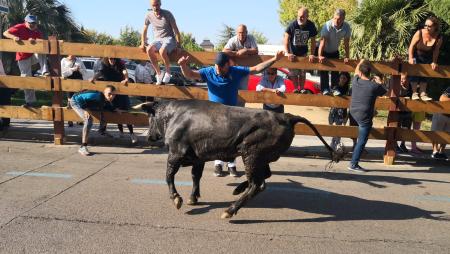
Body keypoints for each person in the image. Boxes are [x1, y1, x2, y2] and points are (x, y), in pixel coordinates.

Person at [178, 51, 285, 177]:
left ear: (227, 65)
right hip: (214, 114)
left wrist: (274, 58)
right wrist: (183, 66)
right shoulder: (209, 71)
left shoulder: (235, 70)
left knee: (232, 140)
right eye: (216, 66)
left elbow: (255, 69)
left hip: (231, 114)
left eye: (220, 67)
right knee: (216, 139)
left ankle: (231, 165)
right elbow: (190, 74)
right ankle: (218, 164)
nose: (217, 70)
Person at [348, 60, 387, 172]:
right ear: (369, 73)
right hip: (364, 116)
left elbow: (356, 70)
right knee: (362, 140)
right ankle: (353, 164)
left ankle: (354, 159)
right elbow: (387, 92)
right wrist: (380, 82)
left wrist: (362, 60)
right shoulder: (374, 86)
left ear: (360, 73)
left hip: (353, 112)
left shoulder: (355, 80)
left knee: (359, 134)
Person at [3, 14, 49, 107]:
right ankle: (30, 102)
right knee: (26, 78)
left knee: (41, 50)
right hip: (22, 57)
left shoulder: (36, 31)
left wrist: (35, 41)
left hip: (32, 56)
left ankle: (45, 71)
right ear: (26, 22)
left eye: (34, 23)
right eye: (30, 23)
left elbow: (41, 43)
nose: (32, 25)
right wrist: (14, 37)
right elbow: (5, 33)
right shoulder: (20, 27)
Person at [140, 0, 181, 85]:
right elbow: (144, 29)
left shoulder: (167, 14)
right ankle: (158, 73)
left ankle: (168, 72)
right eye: (153, 6)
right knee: (149, 49)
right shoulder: (149, 15)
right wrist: (142, 43)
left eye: (157, 5)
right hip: (157, 39)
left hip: (169, 39)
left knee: (162, 51)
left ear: (160, 4)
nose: (155, 7)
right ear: (151, 6)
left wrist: (179, 44)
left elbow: (176, 29)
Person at [69, 86, 116, 156]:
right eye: (109, 94)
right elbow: (79, 98)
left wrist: (115, 109)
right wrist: (85, 109)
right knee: (89, 120)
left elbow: (108, 106)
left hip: (87, 103)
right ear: (104, 93)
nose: (111, 96)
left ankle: (102, 130)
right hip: (76, 101)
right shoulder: (96, 96)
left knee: (105, 112)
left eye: (114, 95)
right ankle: (83, 146)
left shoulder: (105, 100)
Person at [284, 7, 317, 94]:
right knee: (294, 72)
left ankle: (302, 88)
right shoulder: (293, 25)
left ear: (307, 16)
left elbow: (313, 41)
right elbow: (286, 39)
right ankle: (295, 88)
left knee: (303, 71)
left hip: (303, 52)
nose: (300, 18)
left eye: (302, 16)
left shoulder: (311, 25)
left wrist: (312, 54)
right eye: (298, 16)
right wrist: (288, 53)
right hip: (292, 52)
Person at [408, 16, 442, 101]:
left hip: (427, 57)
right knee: (415, 71)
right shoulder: (419, 32)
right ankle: (414, 93)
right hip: (416, 56)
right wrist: (410, 58)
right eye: (425, 25)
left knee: (426, 73)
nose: (426, 27)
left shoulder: (439, 37)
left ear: (435, 27)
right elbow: (411, 46)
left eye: (429, 26)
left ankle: (423, 93)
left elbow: (436, 51)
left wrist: (434, 62)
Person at [318, 9, 351, 96]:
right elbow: (322, 42)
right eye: (335, 18)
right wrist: (320, 56)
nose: (336, 20)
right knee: (324, 71)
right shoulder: (328, 25)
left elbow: (346, 43)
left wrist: (347, 56)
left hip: (334, 51)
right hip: (324, 50)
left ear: (343, 19)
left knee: (335, 71)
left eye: (339, 19)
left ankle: (334, 89)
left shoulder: (346, 27)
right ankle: (324, 89)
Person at [223, 24, 259, 91]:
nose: (241, 35)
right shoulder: (233, 40)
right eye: (239, 33)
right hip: (234, 68)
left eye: (243, 33)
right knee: (232, 88)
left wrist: (245, 50)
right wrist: (236, 53)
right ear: (237, 33)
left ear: (246, 32)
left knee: (243, 89)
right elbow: (224, 51)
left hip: (246, 68)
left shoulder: (251, 38)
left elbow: (256, 51)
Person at [61, 55, 88, 127]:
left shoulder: (79, 60)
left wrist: (79, 69)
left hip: (79, 81)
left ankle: (79, 119)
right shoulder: (64, 60)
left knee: (78, 100)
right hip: (69, 83)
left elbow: (85, 72)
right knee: (70, 101)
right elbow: (63, 73)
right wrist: (72, 69)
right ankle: (69, 119)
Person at [328, 72, 350, 150]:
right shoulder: (335, 87)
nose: (342, 80)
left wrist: (346, 116)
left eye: (344, 78)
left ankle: (337, 143)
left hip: (342, 112)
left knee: (339, 128)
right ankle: (333, 142)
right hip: (334, 110)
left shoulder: (348, 90)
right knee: (333, 127)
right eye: (341, 78)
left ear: (347, 80)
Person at [395, 74, 413, 153]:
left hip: (407, 111)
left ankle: (403, 144)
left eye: (403, 79)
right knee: (396, 128)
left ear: (407, 79)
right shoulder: (396, 86)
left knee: (406, 128)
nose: (401, 80)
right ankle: (395, 145)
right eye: (400, 79)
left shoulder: (411, 86)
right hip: (397, 111)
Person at [431, 86, 449, 160]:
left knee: (447, 135)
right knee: (436, 132)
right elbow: (442, 99)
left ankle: (442, 152)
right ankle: (435, 151)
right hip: (441, 113)